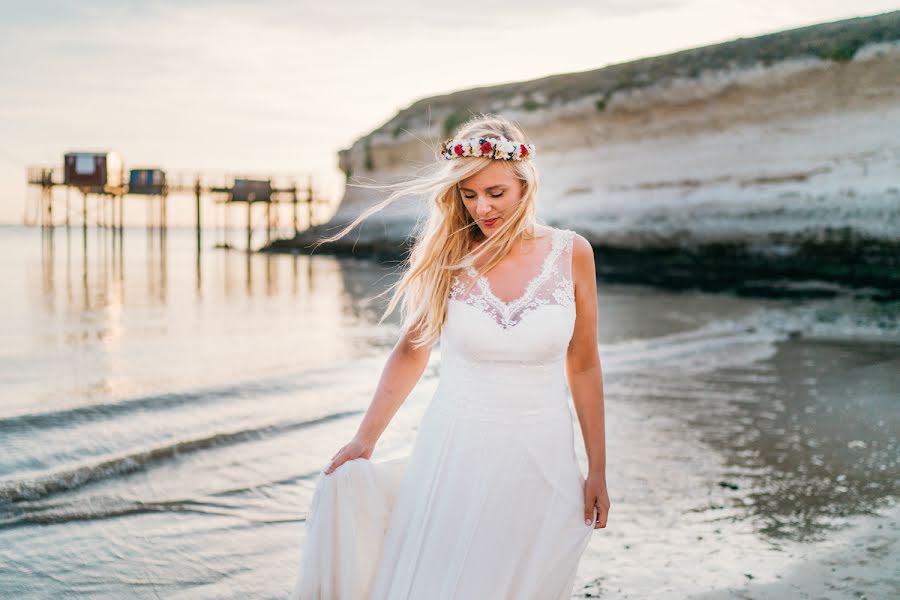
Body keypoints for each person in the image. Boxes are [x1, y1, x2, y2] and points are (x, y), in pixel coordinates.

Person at [289, 113, 609, 599]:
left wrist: (598, 470)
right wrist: (364, 438)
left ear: (525, 185)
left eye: (495, 193)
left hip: (543, 456)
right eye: (469, 194)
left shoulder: (572, 254)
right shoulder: (448, 258)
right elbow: (410, 352)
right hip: (457, 452)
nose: (482, 207)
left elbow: (583, 364)